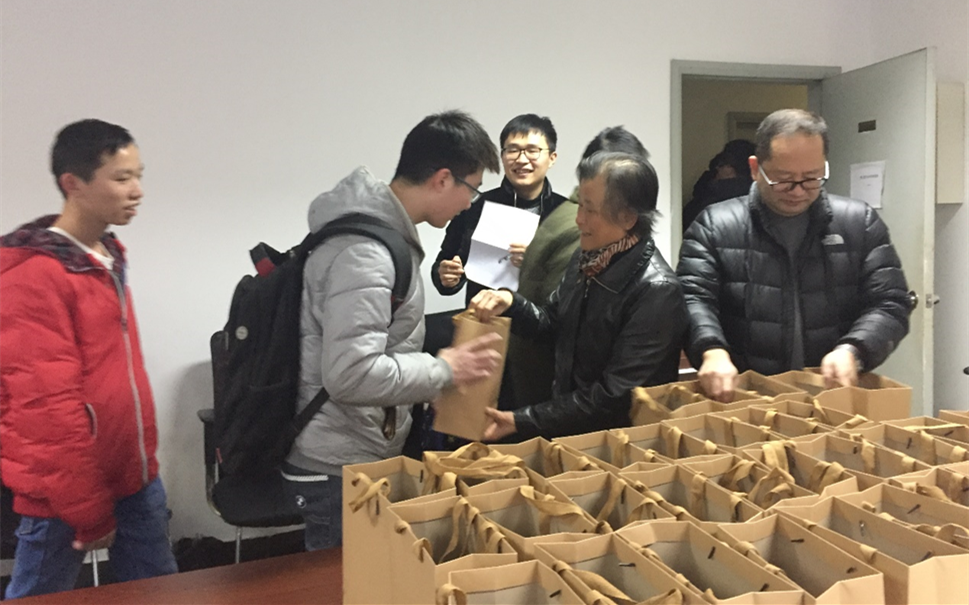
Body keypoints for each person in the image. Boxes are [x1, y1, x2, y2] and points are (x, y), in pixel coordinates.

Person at [283, 110, 503, 551]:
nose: (470, 203)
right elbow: (350, 374)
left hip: (353, 450)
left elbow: (379, 349)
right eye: (472, 188)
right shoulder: (366, 253)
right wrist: (444, 370)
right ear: (443, 179)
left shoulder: (381, 239)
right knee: (348, 582)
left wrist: (428, 385)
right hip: (337, 464)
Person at [0, 119, 178, 598]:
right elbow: (46, 409)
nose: (137, 190)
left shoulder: (106, 254)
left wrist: (141, 465)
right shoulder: (33, 275)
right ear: (73, 184)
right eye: (121, 178)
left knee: (160, 593)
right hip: (62, 492)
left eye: (138, 175)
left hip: (133, 476)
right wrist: (87, 508)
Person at [677, 108, 909, 402]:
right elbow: (692, 298)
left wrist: (854, 349)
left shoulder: (858, 223)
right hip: (744, 397)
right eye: (784, 179)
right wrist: (711, 350)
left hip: (832, 397)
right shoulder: (715, 224)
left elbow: (890, 302)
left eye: (812, 178)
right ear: (755, 168)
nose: (798, 191)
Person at [471, 152, 688, 440]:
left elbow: (615, 396)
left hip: (620, 444)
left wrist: (525, 420)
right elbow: (553, 323)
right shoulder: (587, 259)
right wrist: (512, 303)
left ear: (627, 217)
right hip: (572, 429)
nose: (578, 219)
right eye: (579, 206)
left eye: (590, 210)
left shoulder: (656, 290)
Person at [508, 126, 651, 409]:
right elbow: (567, 328)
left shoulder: (566, 214)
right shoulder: (587, 233)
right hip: (555, 393)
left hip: (547, 391)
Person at [431, 113, 568, 306]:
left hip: (542, 320)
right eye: (512, 150)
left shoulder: (567, 214)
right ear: (502, 156)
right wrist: (445, 276)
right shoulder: (475, 206)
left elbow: (576, 282)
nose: (521, 159)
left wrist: (536, 265)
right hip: (484, 318)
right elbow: (446, 260)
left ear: (552, 158)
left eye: (532, 150)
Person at [682, 139, 756, 233]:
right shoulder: (758, 198)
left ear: (732, 168)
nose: (717, 168)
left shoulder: (708, 195)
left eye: (722, 164)